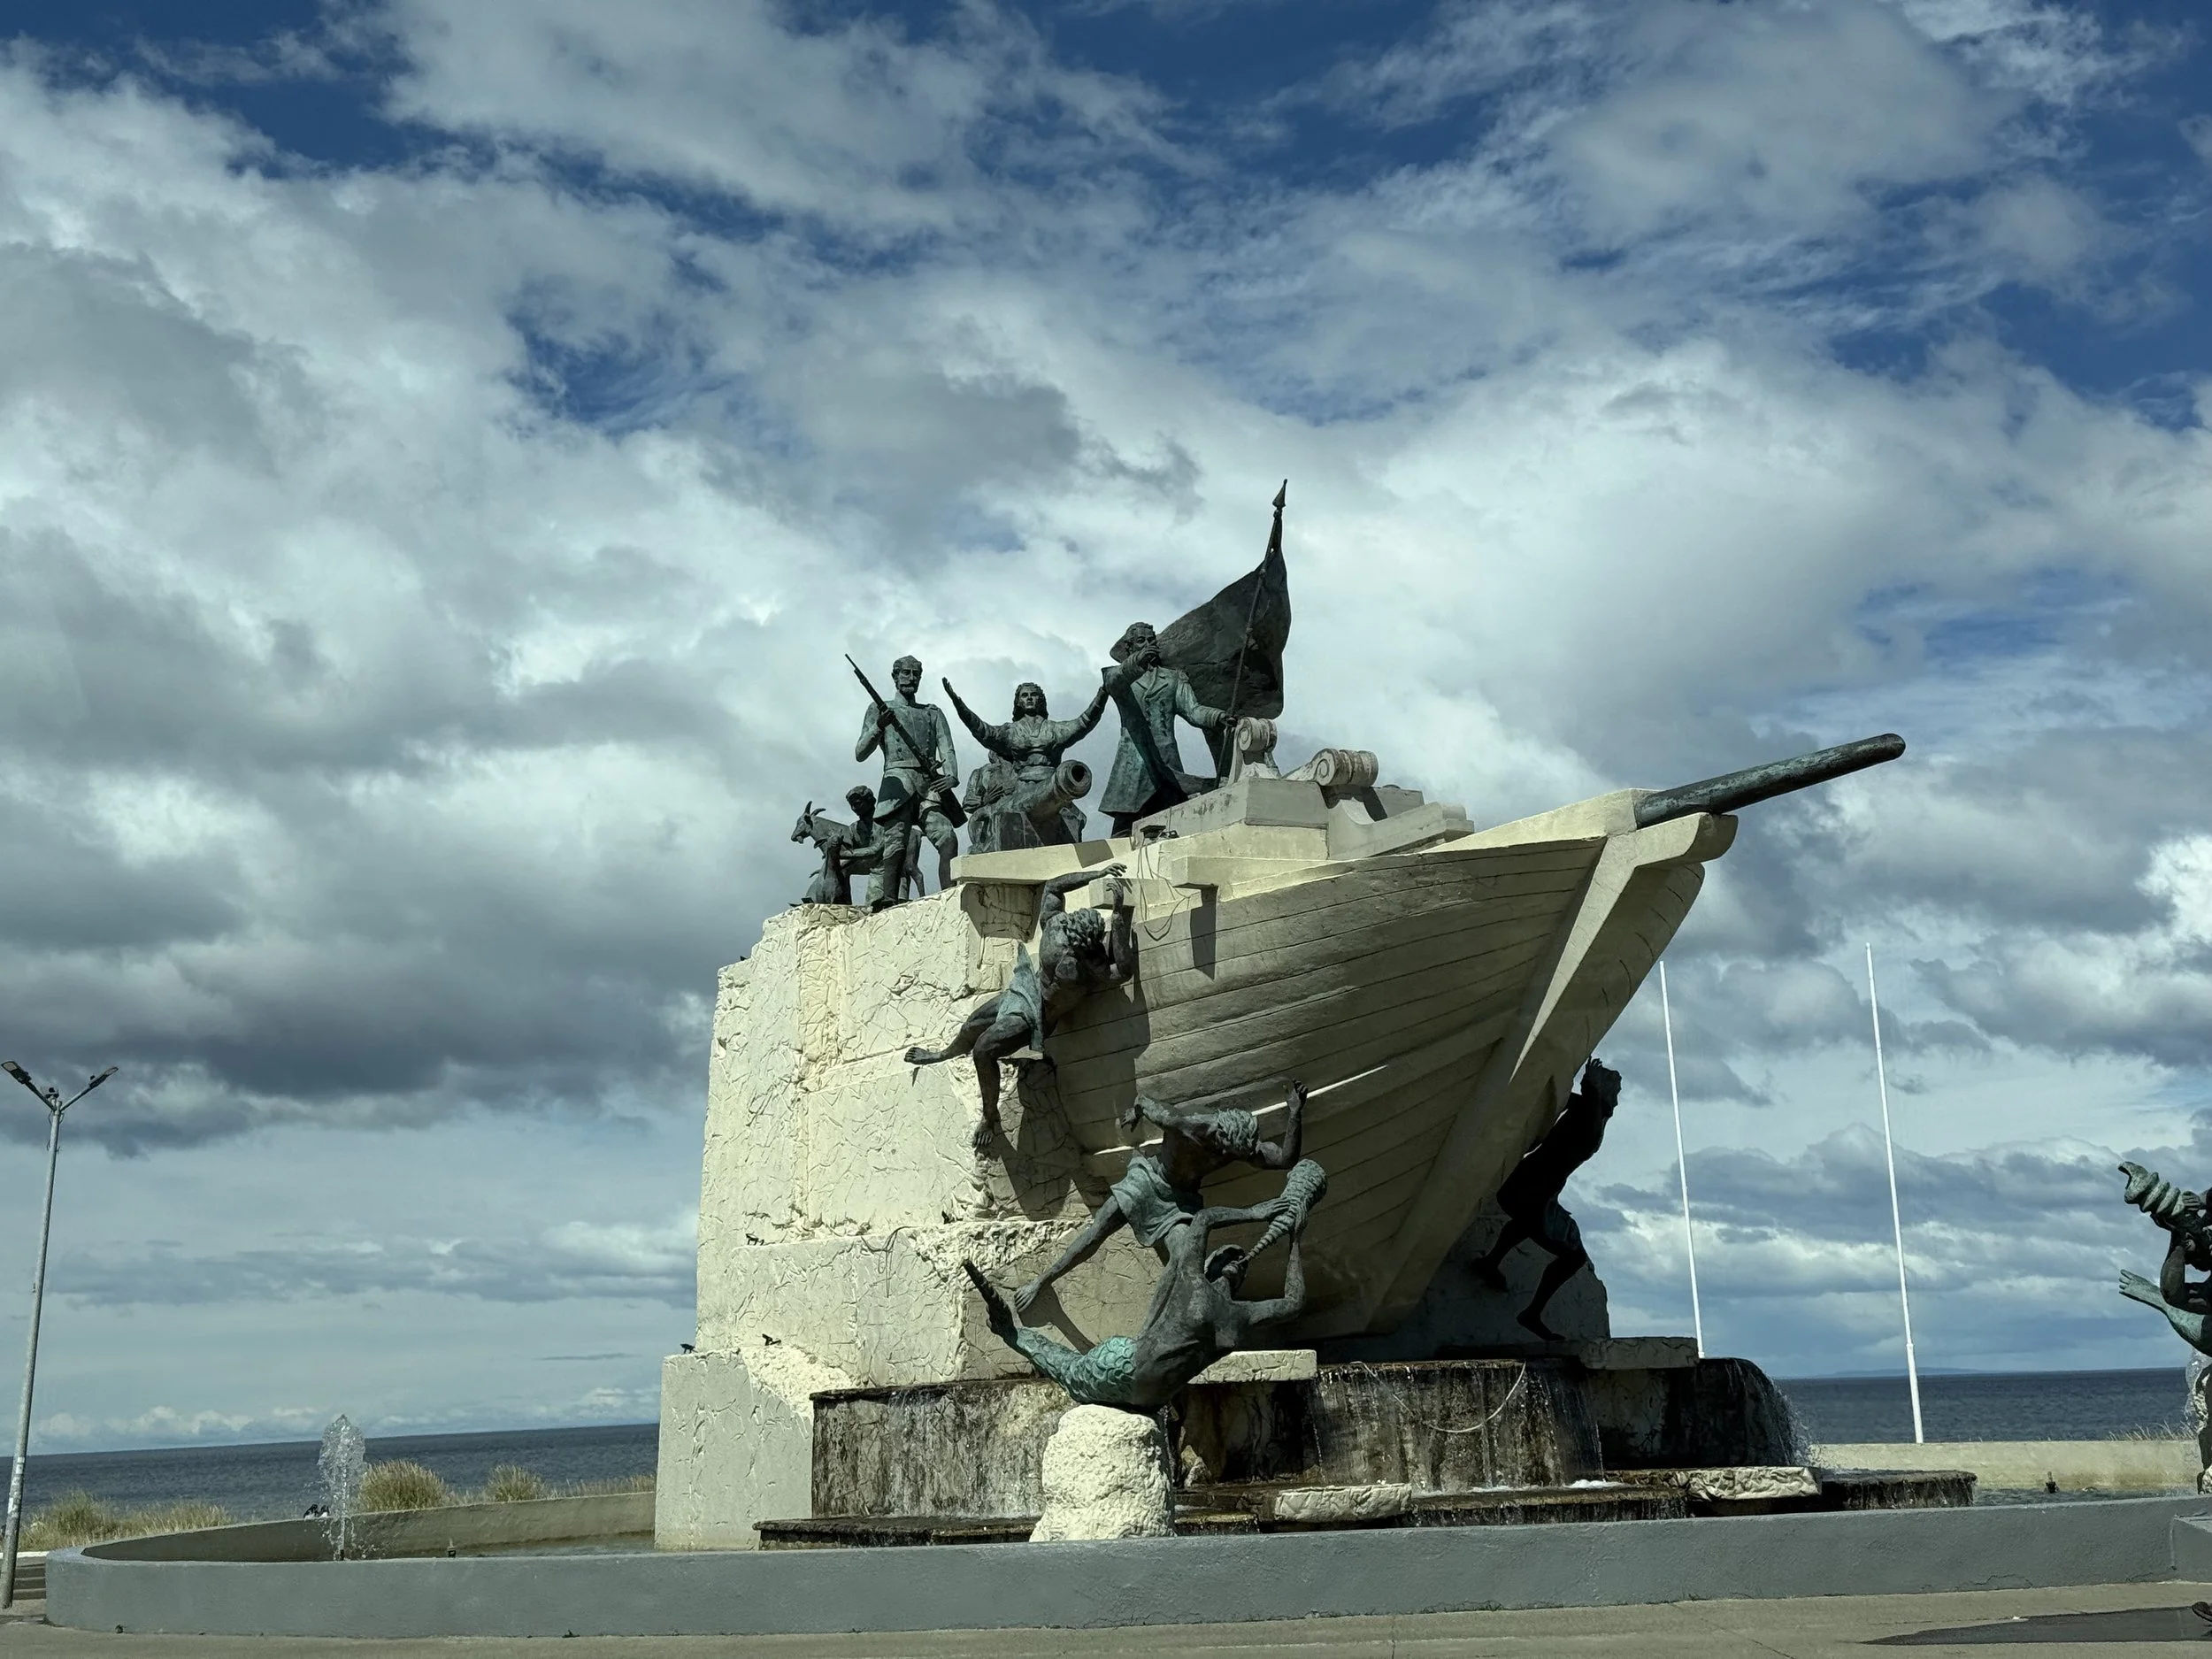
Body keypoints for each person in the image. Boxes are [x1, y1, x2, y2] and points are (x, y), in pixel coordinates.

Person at [965, 1158, 1326, 1410]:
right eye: (1229, 1260)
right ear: (1211, 1268)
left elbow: (1292, 1303)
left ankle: (1010, 1333)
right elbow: (1202, 1220)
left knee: (1070, 1371)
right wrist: (1268, 1221)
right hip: (1135, 1373)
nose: (1237, 1265)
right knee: (1068, 1369)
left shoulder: (1224, 1308)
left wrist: (1287, 1232)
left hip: (1148, 1390)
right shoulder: (1207, 1295)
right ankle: (1010, 1333)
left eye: (1238, 1266)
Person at [1010, 1080, 1308, 1316]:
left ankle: (1174, 1324)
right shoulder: (1187, 1126)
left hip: (1179, 1204)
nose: (1240, 1159)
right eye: (1234, 1153)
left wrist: (1294, 1114)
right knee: (1096, 1233)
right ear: (1222, 1138)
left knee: (1185, 1258)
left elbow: (1284, 1159)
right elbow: (1145, 1102)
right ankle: (1042, 1281)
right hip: (1147, 1181)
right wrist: (1135, 1112)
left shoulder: (1240, 1146)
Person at [904, 865, 1133, 1149]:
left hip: (1035, 1018)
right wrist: (1116, 913)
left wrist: (1097, 879)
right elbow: (1121, 970)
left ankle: (989, 1116)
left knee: (983, 1050)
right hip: (1021, 995)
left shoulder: (1060, 936)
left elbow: (1053, 887)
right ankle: (944, 1053)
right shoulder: (1085, 959)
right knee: (972, 1025)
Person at [1471, 1057, 1621, 1341]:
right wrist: (1591, 1085)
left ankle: (1492, 1261)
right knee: (1572, 1255)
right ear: (1602, 1092)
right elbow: (1581, 1109)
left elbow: (1564, 1101)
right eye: (1615, 1092)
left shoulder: (1588, 1113)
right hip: (1534, 1187)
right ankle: (1532, 1312)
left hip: (1534, 1187)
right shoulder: (1589, 1116)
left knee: (1529, 1221)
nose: (1617, 1101)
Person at [941, 678, 1111, 848]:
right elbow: (982, 731)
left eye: (1034, 695)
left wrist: (1102, 695)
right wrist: (959, 704)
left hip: (1051, 784)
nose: (1029, 698)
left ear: (1041, 700)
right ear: (1018, 702)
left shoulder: (1053, 729)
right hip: (1023, 789)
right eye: (1024, 695)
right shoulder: (1011, 731)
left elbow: (1084, 722)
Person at [1099, 622, 1227, 836]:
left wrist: (1218, 716)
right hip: (1134, 766)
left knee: (1173, 827)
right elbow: (1114, 682)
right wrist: (1137, 661)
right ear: (1129, 647)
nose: (1148, 644)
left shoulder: (1174, 678)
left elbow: (1194, 711)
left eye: (1152, 640)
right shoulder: (1118, 676)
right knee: (1122, 834)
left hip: (1167, 767)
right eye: (1141, 641)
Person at [853, 654, 959, 903]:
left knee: (947, 837)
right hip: (897, 783)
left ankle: (951, 895)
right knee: (896, 843)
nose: (911, 678)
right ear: (895, 676)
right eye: (906, 673)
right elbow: (860, 752)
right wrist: (879, 725)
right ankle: (889, 898)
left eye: (915, 674)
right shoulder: (879, 710)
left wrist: (952, 776)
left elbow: (947, 747)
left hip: (929, 786)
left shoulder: (932, 713)